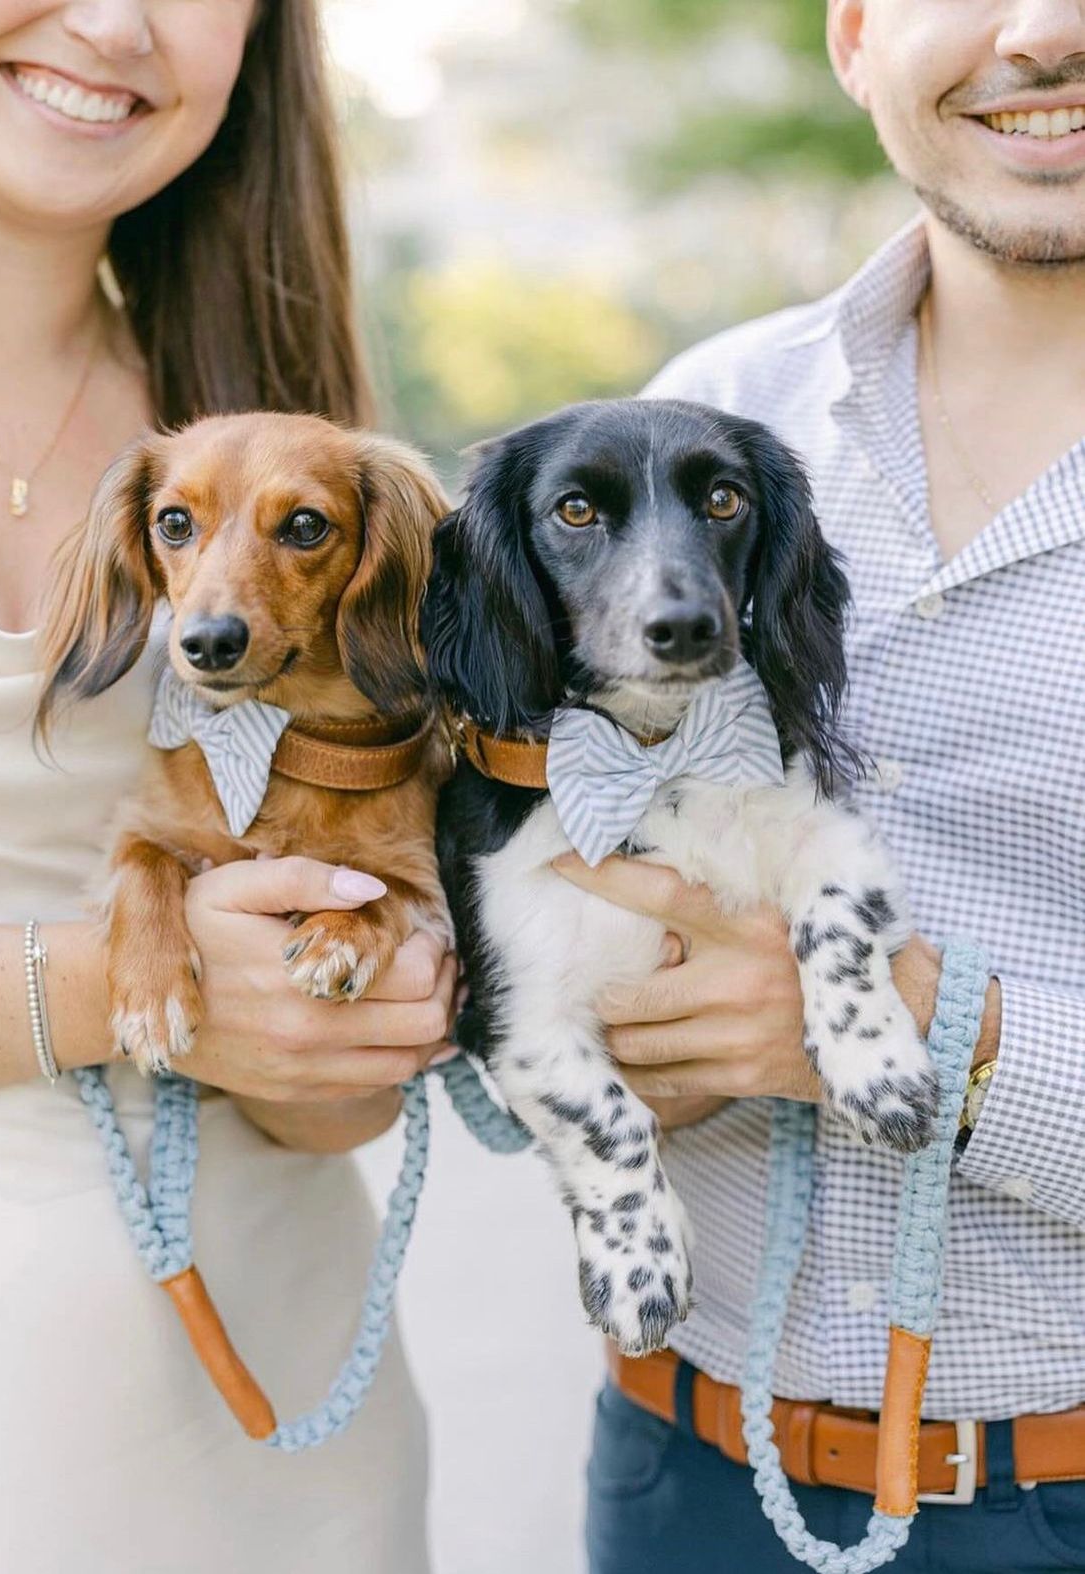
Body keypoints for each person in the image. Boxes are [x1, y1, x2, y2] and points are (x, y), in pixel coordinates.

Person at [0, 3, 455, 1570]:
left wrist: (357, 1021)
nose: (110, 22)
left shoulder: (268, 417)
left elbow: (335, 1102)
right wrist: (118, 977)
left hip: (288, 1442)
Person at [571, 2, 1085, 1571]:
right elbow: (544, 917)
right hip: (689, 1478)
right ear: (857, 31)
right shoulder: (695, 422)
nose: (1046, 29)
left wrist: (905, 1026)